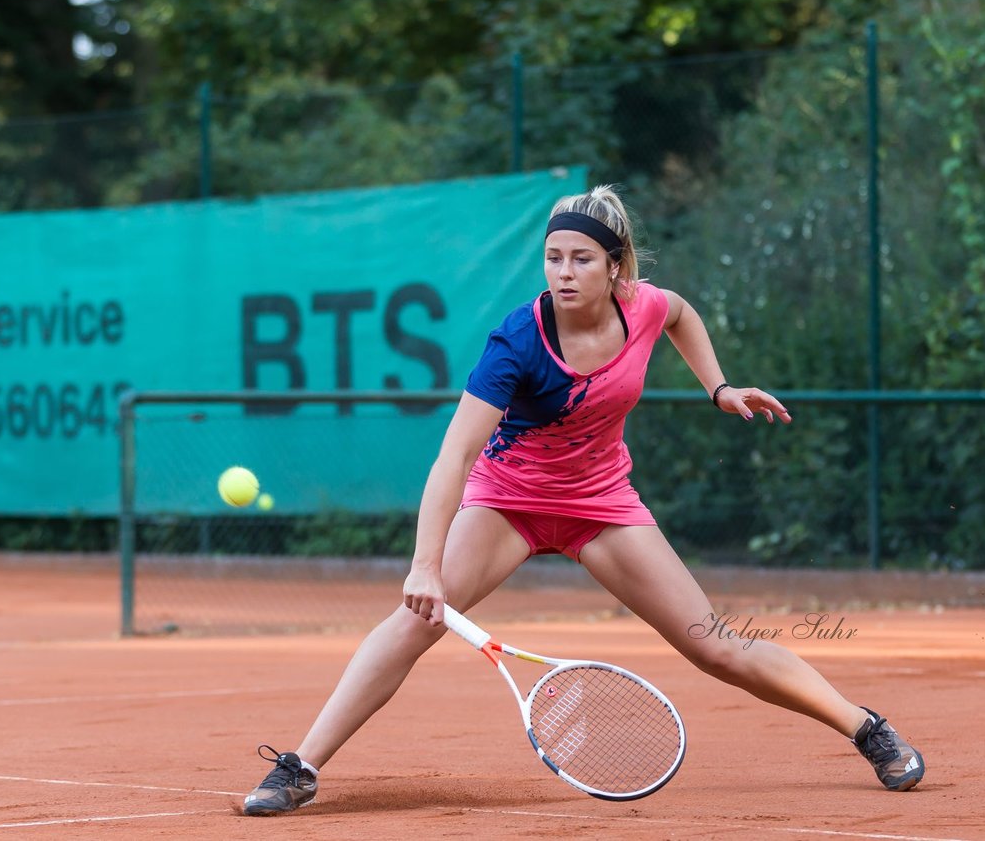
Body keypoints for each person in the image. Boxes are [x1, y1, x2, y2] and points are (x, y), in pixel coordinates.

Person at [240, 185, 925, 816]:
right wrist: (426, 566)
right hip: (508, 502)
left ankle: (868, 729)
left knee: (717, 648)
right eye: (552, 257)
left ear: (615, 269)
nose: (563, 272)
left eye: (580, 259)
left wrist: (717, 387)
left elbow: (681, 313)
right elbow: (454, 456)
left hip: (602, 504)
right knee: (415, 623)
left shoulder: (644, 307)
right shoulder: (517, 341)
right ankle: (301, 766)